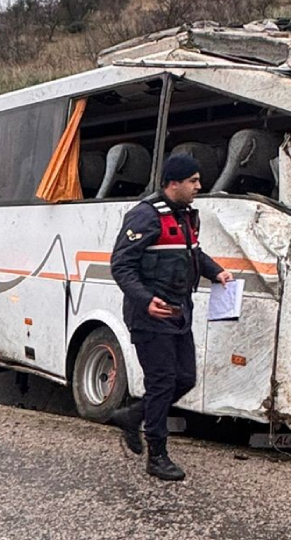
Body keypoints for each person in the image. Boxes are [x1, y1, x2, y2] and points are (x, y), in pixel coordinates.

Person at [108, 154, 233, 481]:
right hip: (149, 316)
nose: (199, 186)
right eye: (193, 181)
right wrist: (146, 300)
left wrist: (216, 272)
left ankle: (133, 415)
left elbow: (194, 253)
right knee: (162, 382)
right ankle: (157, 455)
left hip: (179, 313)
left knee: (185, 378)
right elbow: (121, 266)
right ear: (172, 183)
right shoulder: (145, 216)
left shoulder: (187, 216)